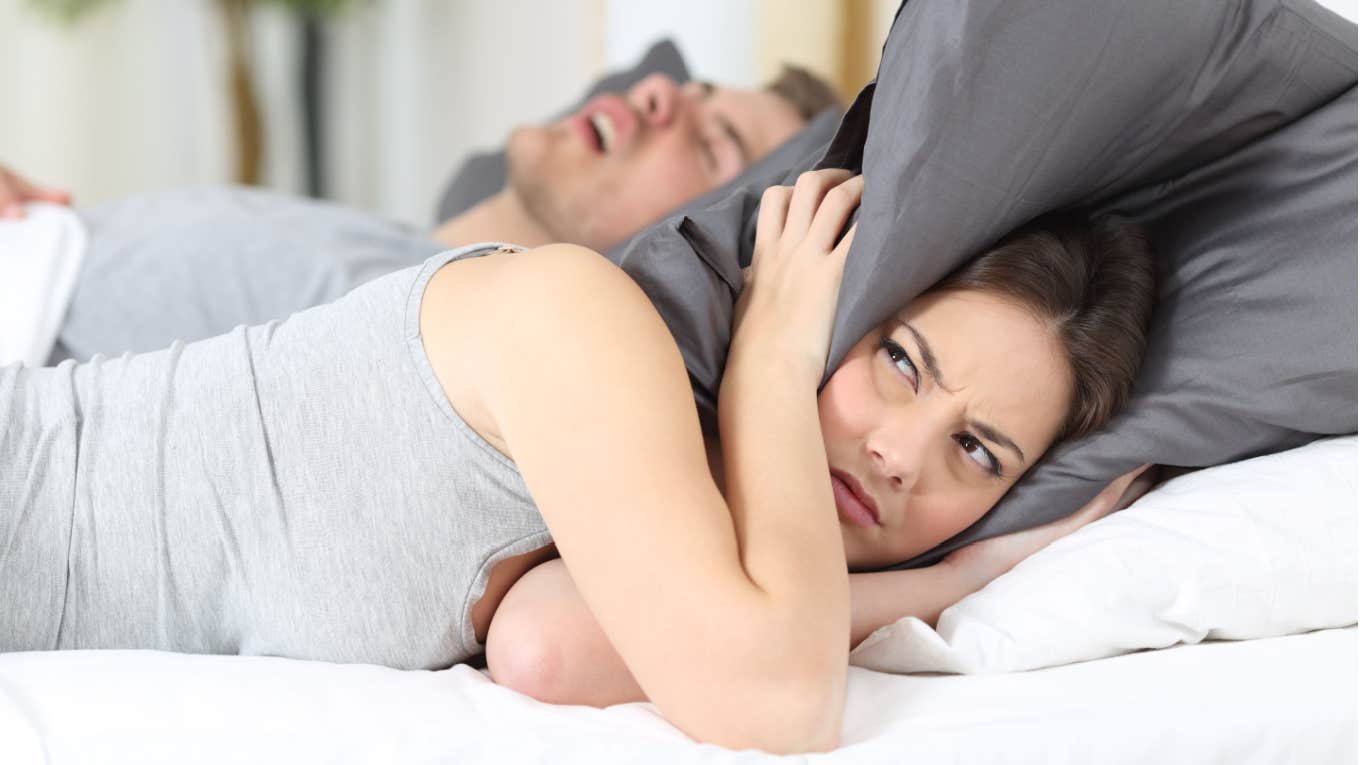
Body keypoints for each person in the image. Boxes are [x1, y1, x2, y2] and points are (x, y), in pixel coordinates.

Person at [0, 168, 1157, 753]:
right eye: (898, 360)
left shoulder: (653, 538)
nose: (899, 451)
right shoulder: (580, 316)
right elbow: (778, 702)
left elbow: (548, 651)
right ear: (829, 300)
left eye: (975, 449)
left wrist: (952, 579)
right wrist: (769, 357)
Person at [0, 66, 836, 363]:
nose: (659, 94)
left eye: (716, 143)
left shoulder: (425, 343)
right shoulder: (378, 237)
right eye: (687, 89)